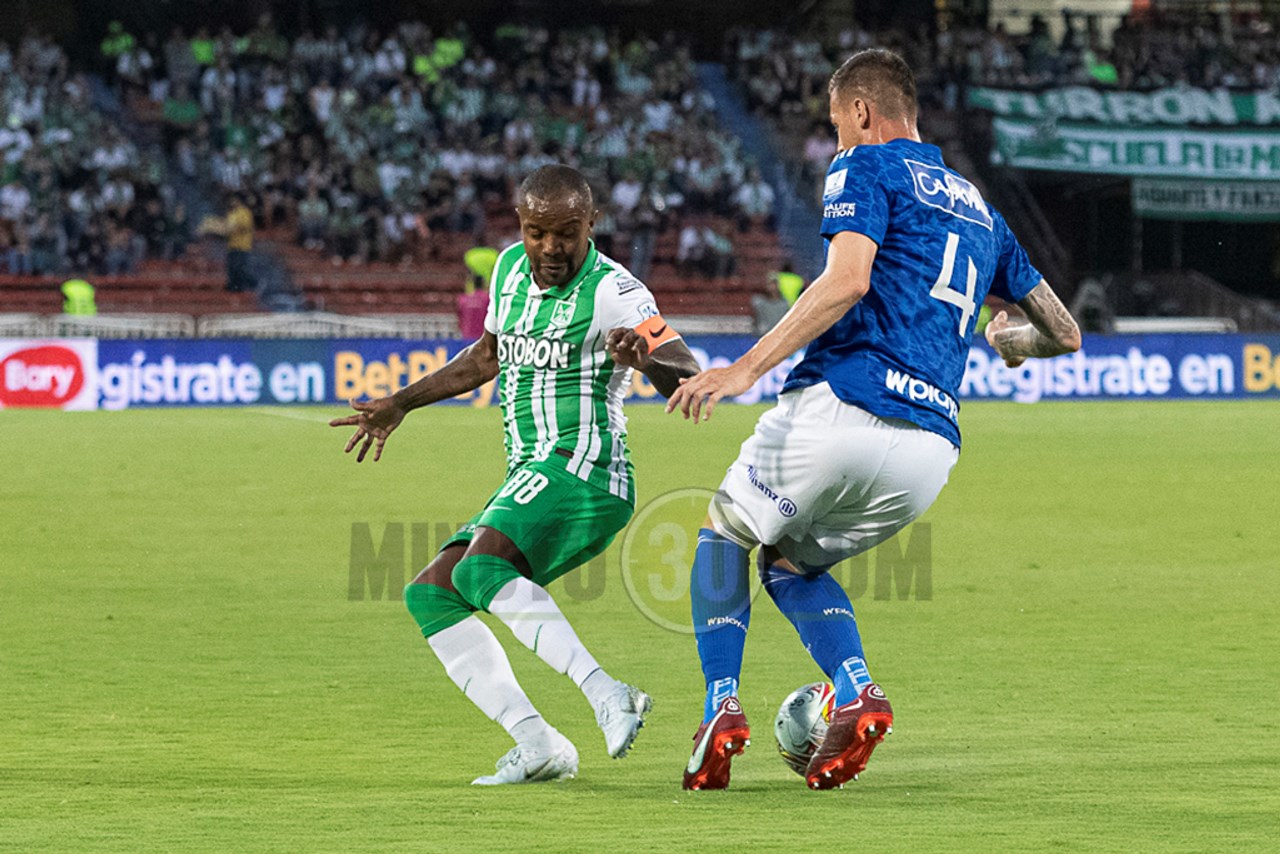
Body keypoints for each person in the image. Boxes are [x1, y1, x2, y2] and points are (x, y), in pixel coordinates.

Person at [667, 49, 1081, 791]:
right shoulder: (982, 210)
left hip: (845, 403)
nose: (837, 138)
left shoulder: (865, 165)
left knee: (725, 531)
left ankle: (719, 709)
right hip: (929, 451)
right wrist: (1014, 342)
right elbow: (1064, 331)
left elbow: (847, 281)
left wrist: (745, 369)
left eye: (836, 124)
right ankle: (856, 690)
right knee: (791, 563)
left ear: (860, 111)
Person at [329, 165, 701, 786]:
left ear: (592, 224)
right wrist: (402, 402)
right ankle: (538, 744)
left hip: (586, 468)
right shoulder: (506, 269)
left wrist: (647, 362)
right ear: (521, 226)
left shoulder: (617, 291)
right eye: (536, 233)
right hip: (531, 471)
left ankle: (609, 694)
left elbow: (685, 371)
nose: (550, 247)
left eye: (566, 233)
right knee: (432, 594)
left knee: (479, 569)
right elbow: (486, 357)